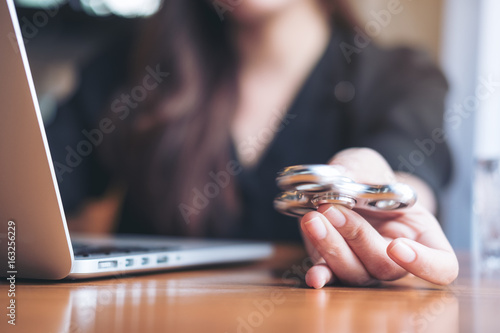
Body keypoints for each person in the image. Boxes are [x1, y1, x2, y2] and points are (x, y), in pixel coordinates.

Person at [46, 0, 458, 288]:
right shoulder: (130, 64)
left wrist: (390, 207)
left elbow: (409, 165)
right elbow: (39, 185)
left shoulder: (400, 77)